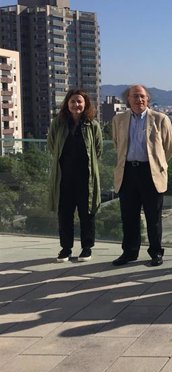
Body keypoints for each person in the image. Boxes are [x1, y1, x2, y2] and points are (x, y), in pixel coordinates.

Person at [112, 84, 172, 266]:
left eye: (142, 96)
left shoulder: (160, 119)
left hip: (151, 172)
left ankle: (156, 252)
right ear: (128, 100)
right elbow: (118, 144)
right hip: (127, 172)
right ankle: (129, 252)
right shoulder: (119, 120)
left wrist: (156, 164)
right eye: (134, 96)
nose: (139, 100)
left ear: (148, 99)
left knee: (153, 216)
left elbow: (168, 148)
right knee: (128, 215)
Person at [48, 89, 103, 263]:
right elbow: (52, 145)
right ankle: (66, 248)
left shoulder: (91, 124)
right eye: (73, 101)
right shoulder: (58, 123)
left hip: (86, 178)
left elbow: (98, 149)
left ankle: (87, 248)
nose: (76, 105)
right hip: (64, 177)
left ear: (85, 104)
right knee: (64, 213)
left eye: (79, 101)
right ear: (67, 104)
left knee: (87, 212)